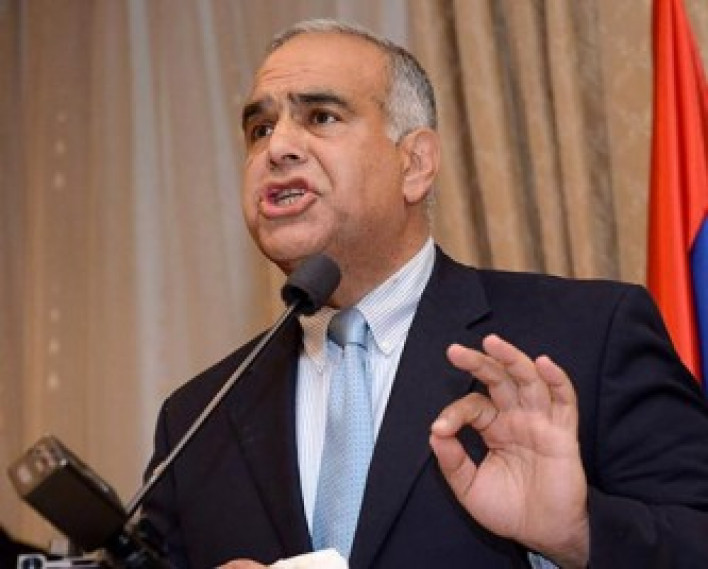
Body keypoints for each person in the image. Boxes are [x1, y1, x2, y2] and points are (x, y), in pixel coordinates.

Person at [141, 18, 708, 569]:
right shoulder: (196, 420)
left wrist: (577, 535)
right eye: (260, 129)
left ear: (415, 164)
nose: (278, 147)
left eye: (321, 116)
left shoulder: (588, 334)